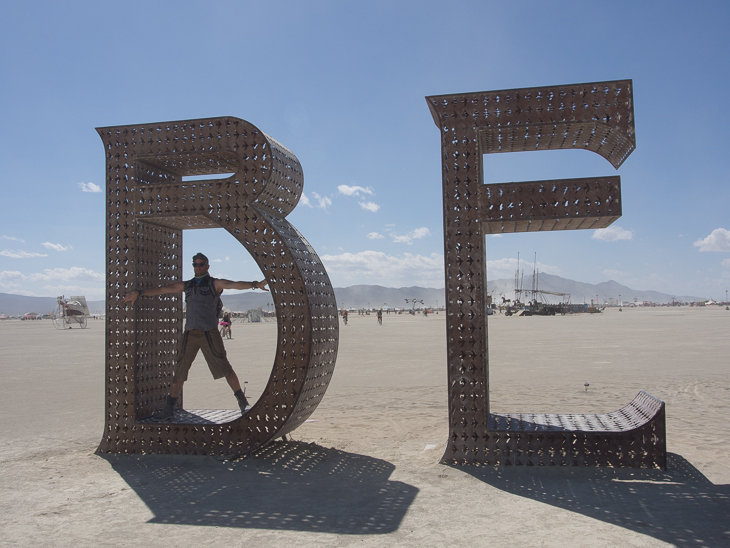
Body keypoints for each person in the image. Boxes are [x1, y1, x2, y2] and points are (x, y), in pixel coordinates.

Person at [124, 252, 267, 419]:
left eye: (201, 264)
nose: (197, 267)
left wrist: (255, 284)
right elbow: (163, 289)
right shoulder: (188, 285)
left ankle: (243, 402)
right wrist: (139, 293)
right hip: (190, 332)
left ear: (207, 266)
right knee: (180, 370)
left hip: (209, 332)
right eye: (195, 264)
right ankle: (169, 408)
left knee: (224, 367)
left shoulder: (215, 283)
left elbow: (234, 284)